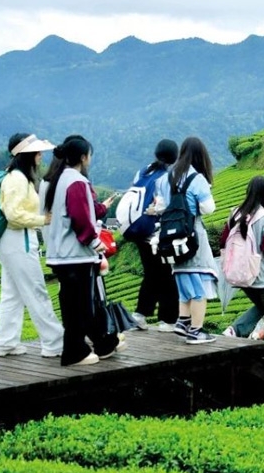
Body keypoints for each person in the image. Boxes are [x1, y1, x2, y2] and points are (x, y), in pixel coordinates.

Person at [42, 135, 122, 366]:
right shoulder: (75, 181)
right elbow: (80, 219)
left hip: (60, 254)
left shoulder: (59, 179)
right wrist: (96, 243)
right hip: (74, 254)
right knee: (80, 306)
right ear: (84, 157)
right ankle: (74, 351)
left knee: (72, 305)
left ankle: (82, 347)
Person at [0, 133, 64, 359]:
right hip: (17, 239)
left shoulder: (17, 177)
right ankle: (54, 342)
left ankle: (5, 342)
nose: (41, 156)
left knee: (12, 294)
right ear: (27, 154)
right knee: (36, 290)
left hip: (12, 241)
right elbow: (14, 215)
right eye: (38, 152)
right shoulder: (17, 179)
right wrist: (43, 220)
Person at [159, 137, 219, 344]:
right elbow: (208, 208)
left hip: (170, 238)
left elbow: (160, 206)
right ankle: (196, 330)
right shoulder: (197, 179)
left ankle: (182, 321)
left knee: (183, 280)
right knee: (198, 283)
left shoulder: (167, 178)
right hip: (191, 235)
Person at [222, 175, 264, 343]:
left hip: (242, 276)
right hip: (262, 275)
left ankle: (234, 330)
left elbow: (223, 242)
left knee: (262, 306)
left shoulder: (234, 213)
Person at [130, 139, 179, 332]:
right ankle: (167, 320)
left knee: (152, 273)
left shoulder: (142, 172)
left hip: (139, 231)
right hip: (157, 234)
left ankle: (140, 315)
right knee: (167, 275)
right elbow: (165, 206)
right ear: (174, 157)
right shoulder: (167, 177)